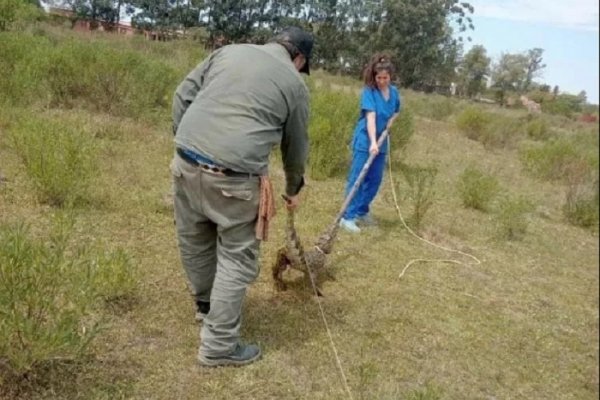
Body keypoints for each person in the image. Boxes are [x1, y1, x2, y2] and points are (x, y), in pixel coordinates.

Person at [170, 26, 313, 367]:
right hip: (235, 181)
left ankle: (206, 308)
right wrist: (293, 189)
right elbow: (296, 147)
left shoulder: (228, 51)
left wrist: (189, 143)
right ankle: (218, 346)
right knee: (237, 257)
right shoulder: (295, 84)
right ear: (300, 58)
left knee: (196, 241)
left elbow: (182, 96)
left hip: (185, 164)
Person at [339, 53, 401, 233]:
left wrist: (392, 121)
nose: (382, 81)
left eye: (385, 78)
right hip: (366, 140)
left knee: (374, 180)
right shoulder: (369, 92)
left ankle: (361, 210)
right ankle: (347, 217)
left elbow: (397, 110)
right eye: (379, 77)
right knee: (358, 178)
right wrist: (373, 142)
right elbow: (371, 117)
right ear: (374, 76)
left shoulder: (394, 92)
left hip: (382, 142)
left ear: (390, 76)